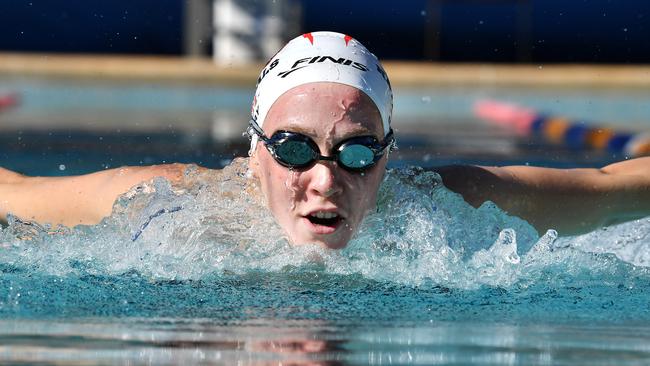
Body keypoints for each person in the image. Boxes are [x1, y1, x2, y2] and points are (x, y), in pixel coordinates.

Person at [0, 31, 648, 249]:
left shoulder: (453, 205)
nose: (325, 179)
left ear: (389, 160)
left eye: (358, 150)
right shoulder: (165, 206)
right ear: (253, 154)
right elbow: (15, 192)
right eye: (292, 148)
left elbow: (615, 189)